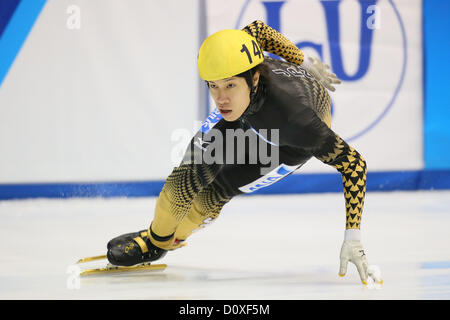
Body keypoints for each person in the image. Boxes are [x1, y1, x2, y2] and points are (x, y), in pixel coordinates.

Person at [106, 20, 382, 285]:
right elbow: (259, 30)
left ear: (254, 78)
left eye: (229, 85)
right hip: (249, 109)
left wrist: (353, 237)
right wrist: (305, 61)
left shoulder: (297, 122)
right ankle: (156, 241)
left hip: (287, 142)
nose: (220, 98)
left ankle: (167, 241)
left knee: (218, 188)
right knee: (189, 174)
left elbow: (354, 165)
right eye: (213, 86)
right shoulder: (235, 55)